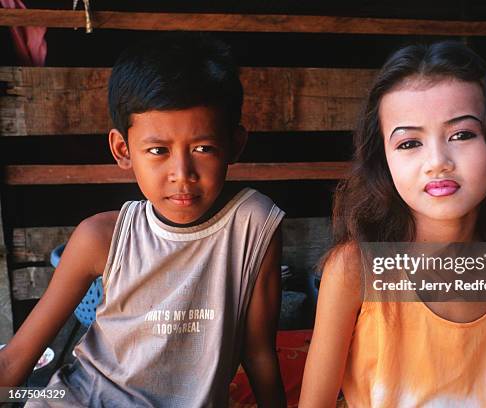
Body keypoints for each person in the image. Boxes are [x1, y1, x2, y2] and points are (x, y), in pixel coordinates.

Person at [0, 33, 286, 407]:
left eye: (203, 148)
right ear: (123, 150)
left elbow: (259, 352)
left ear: (234, 144)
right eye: (158, 151)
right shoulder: (101, 237)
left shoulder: (254, 224)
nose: (182, 173)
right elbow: (16, 359)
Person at [299, 41, 486, 407]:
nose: (437, 161)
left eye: (462, 134)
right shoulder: (356, 270)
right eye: (409, 143)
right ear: (382, 160)